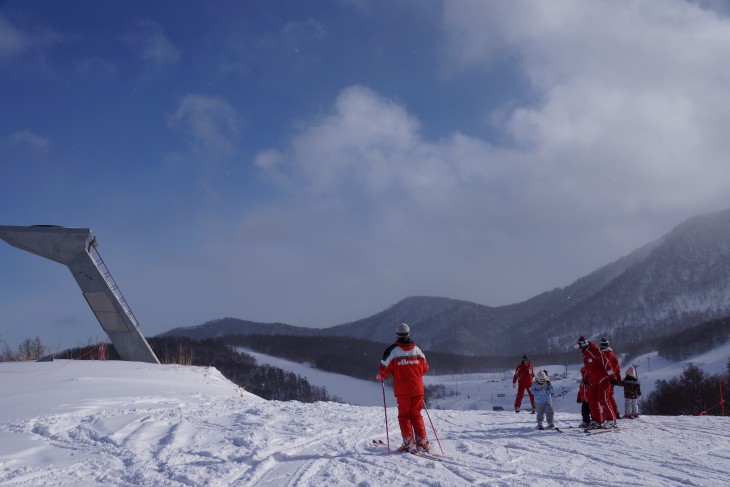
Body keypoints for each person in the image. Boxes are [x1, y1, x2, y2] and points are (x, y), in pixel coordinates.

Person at [377, 323, 430, 453]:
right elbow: (425, 368)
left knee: (404, 415)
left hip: (403, 390)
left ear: (397, 334)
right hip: (418, 388)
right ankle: (422, 442)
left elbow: (383, 370)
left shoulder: (392, 351)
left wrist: (380, 376)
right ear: (408, 334)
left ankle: (408, 442)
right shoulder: (417, 350)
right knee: (416, 414)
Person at [575, 336, 617, 428]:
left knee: (604, 399)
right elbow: (589, 369)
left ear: (583, 345)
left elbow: (605, 362)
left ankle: (611, 420)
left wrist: (612, 375)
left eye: (579, 346)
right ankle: (597, 420)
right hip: (593, 381)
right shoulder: (586, 354)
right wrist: (586, 379)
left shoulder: (594, 351)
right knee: (592, 400)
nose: (579, 349)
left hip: (603, 379)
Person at [599, 338, 621, 421]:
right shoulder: (612, 355)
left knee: (605, 397)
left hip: (606, 379)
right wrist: (618, 378)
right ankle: (615, 412)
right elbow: (617, 368)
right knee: (610, 396)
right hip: (613, 378)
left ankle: (608, 413)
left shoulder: (603, 355)